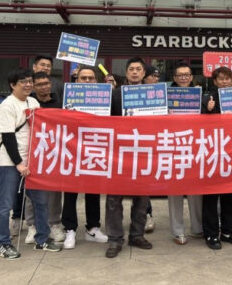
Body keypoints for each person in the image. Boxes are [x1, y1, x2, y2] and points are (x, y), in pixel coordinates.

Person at [0, 68, 62, 259]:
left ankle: (42, 239)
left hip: (32, 162)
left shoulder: (33, 102)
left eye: (30, 81)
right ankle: (3, 244)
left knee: (40, 201)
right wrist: (18, 164)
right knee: (6, 204)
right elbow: (7, 138)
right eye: (23, 81)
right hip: (10, 162)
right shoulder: (7, 106)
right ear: (13, 85)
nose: (28, 85)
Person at [105, 57, 154, 258]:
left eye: (138, 69)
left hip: (144, 152)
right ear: (126, 73)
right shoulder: (115, 95)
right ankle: (115, 239)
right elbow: (104, 121)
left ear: (144, 74)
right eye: (131, 69)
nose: (135, 72)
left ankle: (137, 234)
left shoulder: (154, 95)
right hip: (119, 154)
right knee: (114, 199)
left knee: (141, 198)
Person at [61, 65, 109, 249]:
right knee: (71, 191)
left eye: (90, 78)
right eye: (83, 78)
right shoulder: (69, 98)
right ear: (77, 80)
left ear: (96, 81)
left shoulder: (103, 97)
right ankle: (70, 230)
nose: (87, 81)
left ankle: (93, 228)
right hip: (73, 149)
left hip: (95, 148)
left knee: (93, 190)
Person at [200, 66, 232, 250]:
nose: (224, 82)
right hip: (212, 152)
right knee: (211, 196)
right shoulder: (207, 97)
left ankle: (228, 231)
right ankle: (211, 234)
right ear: (215, 81)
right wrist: (207, 109)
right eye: (221, 79)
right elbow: (198, 121)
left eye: (227, 78)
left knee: (231, 193)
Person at [21, 72, 65, 245]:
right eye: (39, 84)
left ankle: (54, 224)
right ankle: (33, 226)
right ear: (33, 86)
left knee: (55, 191)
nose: (44, 87)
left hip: (55, 152)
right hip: (35, 152)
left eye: (46, 83)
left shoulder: (59, 103)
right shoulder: (29, 103)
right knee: (32, 191)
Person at [167, 61, 204, 244]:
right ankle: (177, 231)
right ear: (174, 78)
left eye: (186, 75)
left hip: (194, 147)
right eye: (179, 75)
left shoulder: (200, 94)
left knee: (196, 191)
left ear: (191, 77)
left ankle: (197, 228)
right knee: (174, 192)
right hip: (173, 146)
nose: (183, 77)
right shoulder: (165, 96)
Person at [141, 63, 159, 233]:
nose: (155, 79)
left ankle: (147, 214)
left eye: (157, 77)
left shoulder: (160, 94)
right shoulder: (130, 92)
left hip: (156, 142)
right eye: (152, 76)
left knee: (145, 182)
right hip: (134, 143)